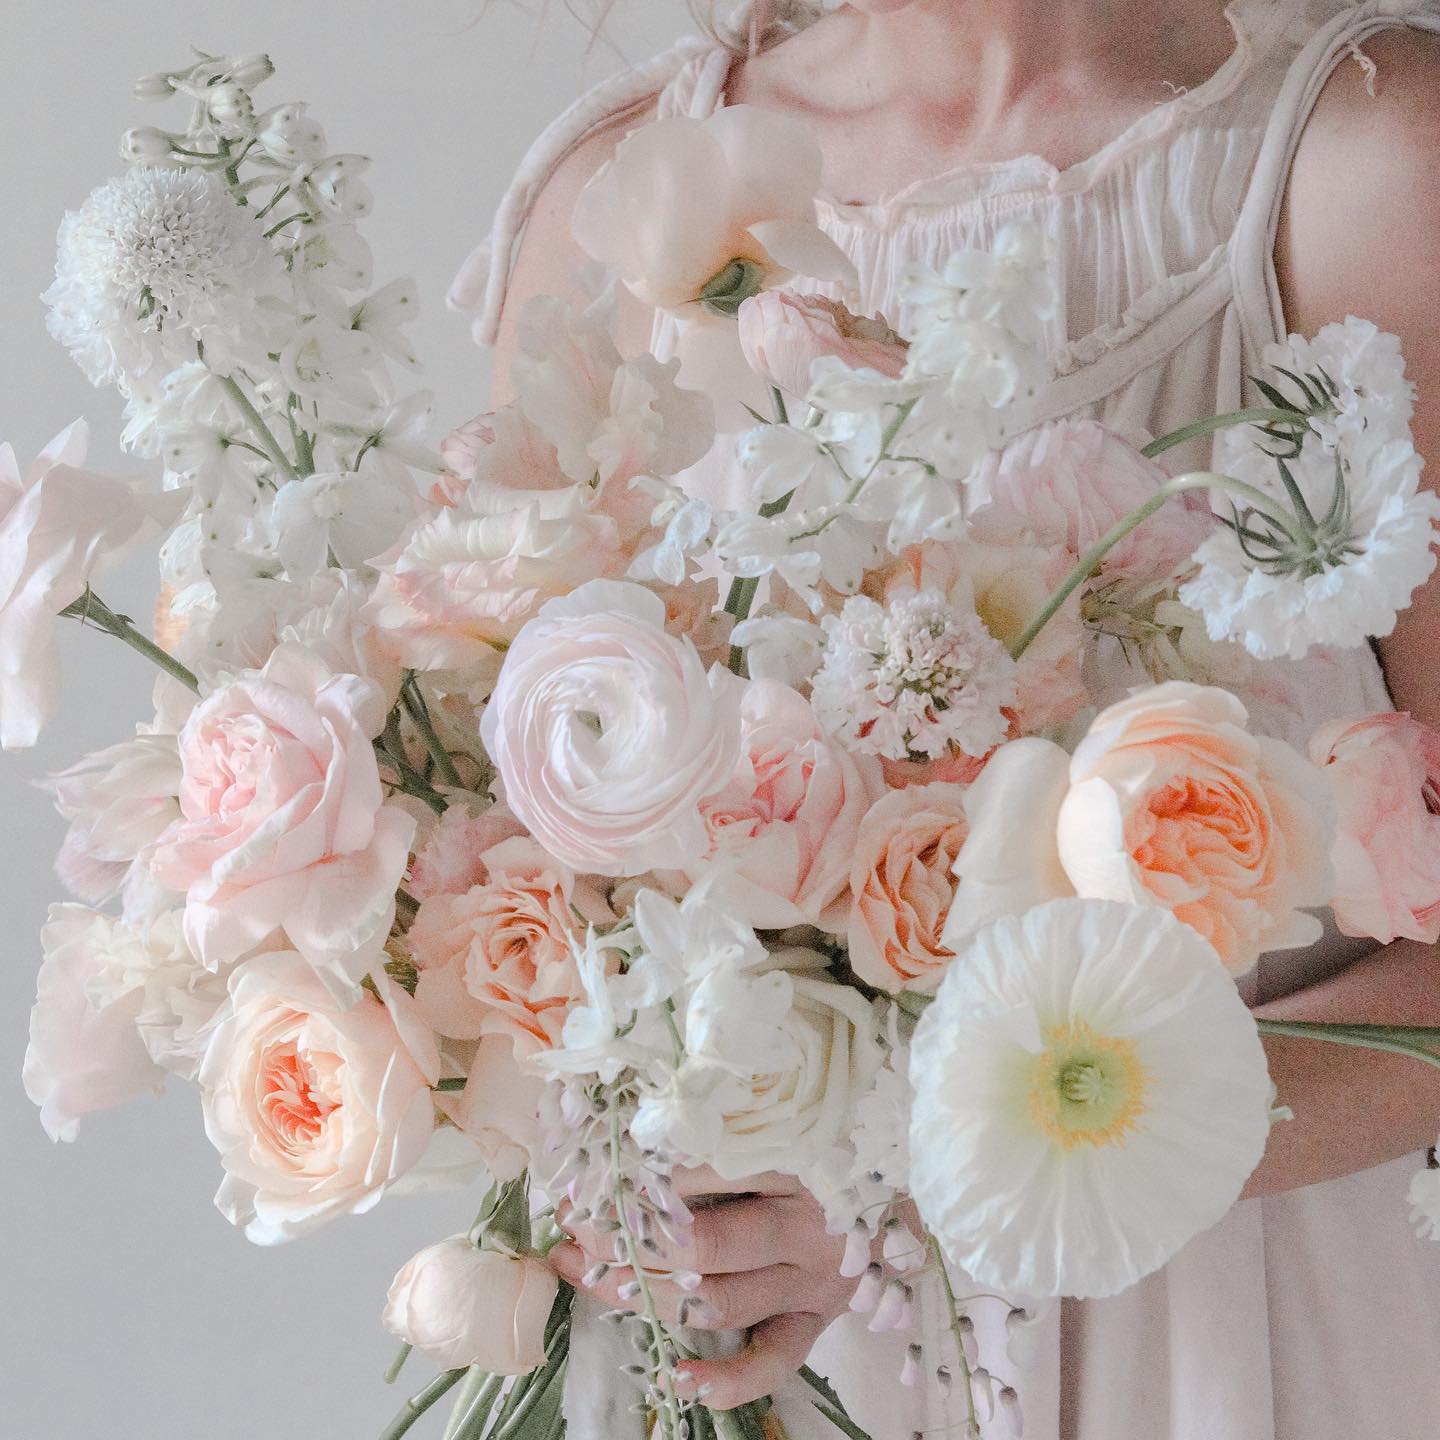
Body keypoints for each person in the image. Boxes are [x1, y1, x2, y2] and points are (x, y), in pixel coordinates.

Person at [449, 2, 1440, 1435]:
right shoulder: (617, 209)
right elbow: (520, 906)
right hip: (754, 1364)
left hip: (1227, 1348)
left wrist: (947, 1166)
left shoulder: (1366, 158)